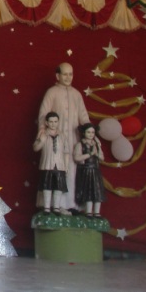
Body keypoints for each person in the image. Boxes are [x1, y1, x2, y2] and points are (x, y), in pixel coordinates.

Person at [36, 62, 90, 212]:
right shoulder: (52, 92)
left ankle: (71, 205)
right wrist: (43, 132)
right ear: (57, 76)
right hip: (54, 140)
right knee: (54, 170)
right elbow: (43, 114)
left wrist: (89, 133)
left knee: (71, 171)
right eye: (65, 74)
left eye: (70, 74)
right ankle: (53, 205)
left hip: (73, 140)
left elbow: (83, 116)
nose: (68, 77)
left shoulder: (76, 94)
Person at [34, 112, 68, 214]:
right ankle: (46, 207)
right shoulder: (43, 134)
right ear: (46, 122)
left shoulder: (62, 135)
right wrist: (42, 141)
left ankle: (56, 207)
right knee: (46, 186)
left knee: (58, 187)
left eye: (55, 121)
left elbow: (66, 152)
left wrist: (66, 166)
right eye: (51, 122)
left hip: (60, 165)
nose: (53, 124)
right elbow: (35, 148)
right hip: (47, 164)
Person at [73, 123, 104, 217]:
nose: (91, 134)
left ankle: (97, 212)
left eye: (92, 132)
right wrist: (90, 154)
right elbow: (77, 158)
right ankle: (88, 211)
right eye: (88, 132)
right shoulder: (80, 144)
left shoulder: (96, 145)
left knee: (97, 190)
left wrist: (96, 153)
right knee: (88, 191)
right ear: (84, 133)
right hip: (85, 171)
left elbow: (102, 157)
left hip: (95, 170)